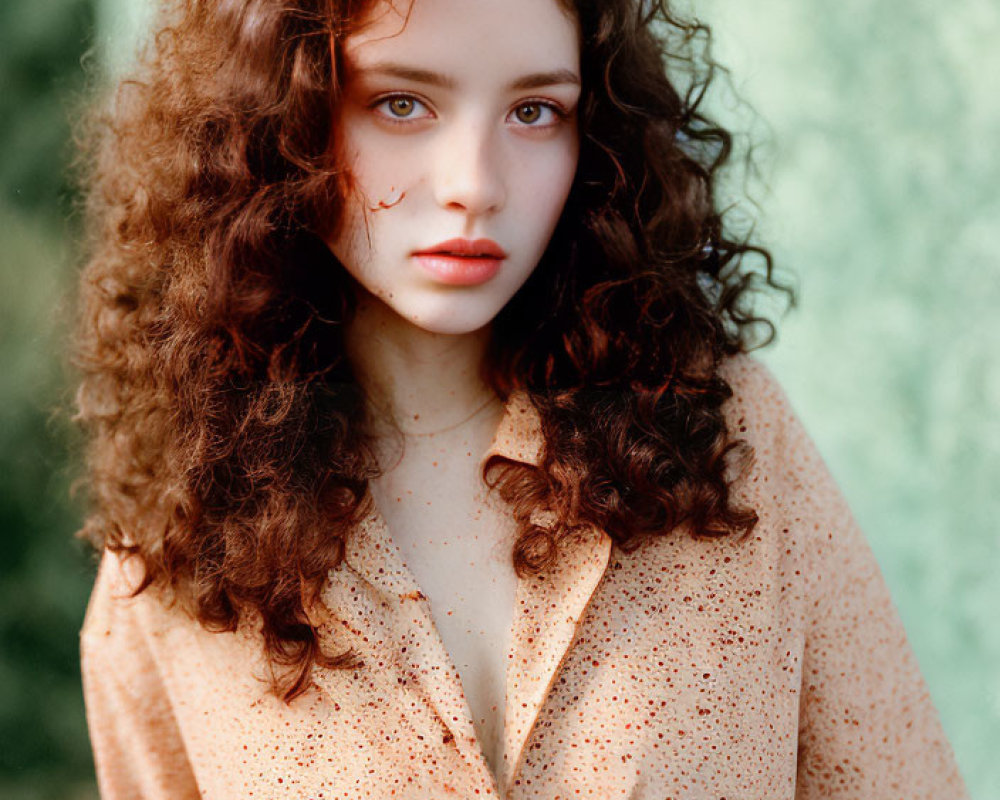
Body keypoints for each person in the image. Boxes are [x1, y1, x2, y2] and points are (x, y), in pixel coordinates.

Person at [73, 0, 968, 797]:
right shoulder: (170, 562)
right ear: (279, 120)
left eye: (535, 111)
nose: (476, 183)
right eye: (401, 102)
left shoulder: (731, 439)